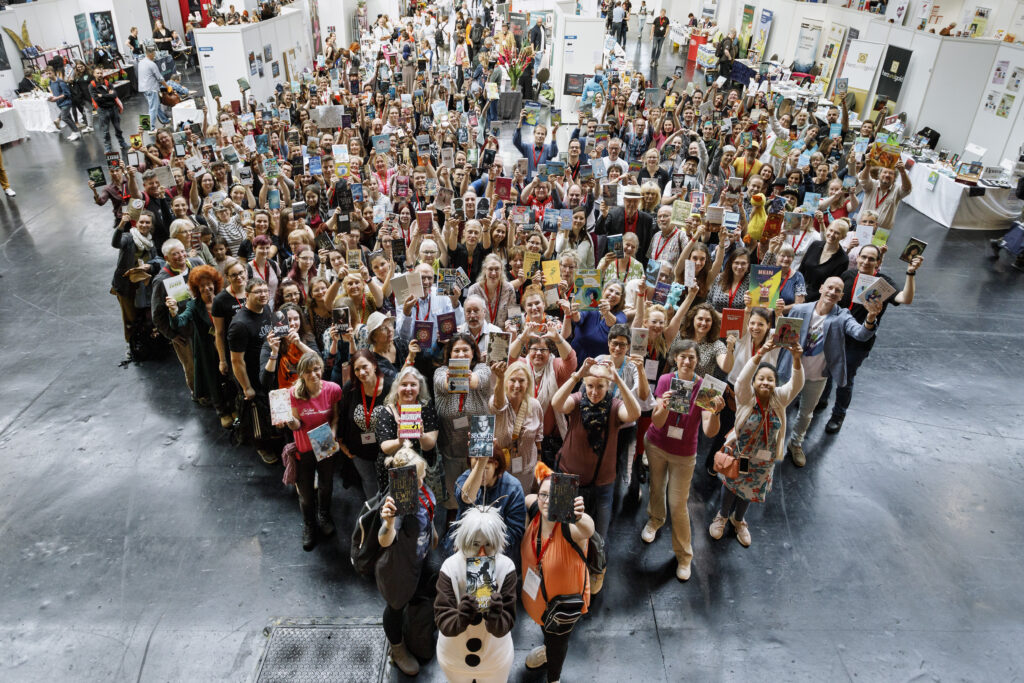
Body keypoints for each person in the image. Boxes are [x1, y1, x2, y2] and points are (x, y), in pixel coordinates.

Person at [642, 338, 725, 578]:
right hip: (656, 445)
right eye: (682, 357)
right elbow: (657, 422)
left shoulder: (707, 388)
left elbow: (710, 431)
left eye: (692, 357)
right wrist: (664, 406)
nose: (687, 361)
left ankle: (684, 555)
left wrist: (716, 413)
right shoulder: (667, 380)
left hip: (684, 454)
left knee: (678, 504)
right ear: (675, 359)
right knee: (656, 487)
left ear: (698, 361)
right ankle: (655, 519)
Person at [708, 341, 804, 547]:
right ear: (754, 382)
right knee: (732, 486)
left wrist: (796, 360)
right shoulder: (745, 397)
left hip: (763, 461)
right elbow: (741, 380)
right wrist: (760, 354)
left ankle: (739, 520)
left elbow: (797, 384)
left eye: (771, 379)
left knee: (750, 491)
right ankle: (722, 516)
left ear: (776, 384)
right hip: (740, 454)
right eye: (761, 378)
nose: (766, 382)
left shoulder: (779, 400)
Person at [780, 277, 883, 466]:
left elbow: (861, 334)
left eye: (838, 290)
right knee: (781, 409)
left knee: (806, 414)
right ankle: (773, 442)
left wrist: (870, 319)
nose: (832, 292)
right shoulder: (799, 310)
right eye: (830, 287)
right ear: (821, 288)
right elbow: (783, 339)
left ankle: (795, 443)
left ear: (841, 296)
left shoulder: (842, 316)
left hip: (818, 376)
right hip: (792, 372)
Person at [551, 357, 641, 543]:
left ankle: (595, 570)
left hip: (602, 483)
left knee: (598, 537)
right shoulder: (577, 401)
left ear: (608, 386)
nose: (594, 392)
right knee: (561, 530)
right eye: (590, 386)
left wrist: (619, 380)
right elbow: (557, 404)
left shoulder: (615, 407)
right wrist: (576, 377)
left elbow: (635, 413)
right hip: (567, 476)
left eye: (600, 386)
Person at [521, 461, 593, 683]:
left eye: (554, 495)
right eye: (543, 494)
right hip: (540, 599)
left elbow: (588, 528)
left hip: (563, 606)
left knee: (558, 642)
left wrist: (579, 515)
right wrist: (539, 494)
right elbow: (528, 499)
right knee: (547, 632)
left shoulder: (570, 527)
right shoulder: (535, 511)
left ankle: (554, 678)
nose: (547, 501)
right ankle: (546, 648)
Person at [434, 506, 518, 683]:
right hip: (454, 658)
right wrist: (461, 616)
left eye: (488, 545)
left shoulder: (506, 567)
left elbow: (508, 619)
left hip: (494, 658)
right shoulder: (450, 568)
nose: (482, 552)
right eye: (475, 544)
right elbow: (442, 618)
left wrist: (495, 616)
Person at [377, 447, 437, 677]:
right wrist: (389, 523)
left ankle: (414, 629)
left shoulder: (421, 488)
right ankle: (397, 648)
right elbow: (385, 540)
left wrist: (431, 534)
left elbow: (428, 511)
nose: (422, 482)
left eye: (423, 476)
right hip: (398, 568)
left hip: (419, 559)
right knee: (395, 608)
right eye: (417, 478)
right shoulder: (398, 501)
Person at [279, 352, 342, 550]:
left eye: (316, 369)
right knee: (305, 494)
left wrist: (332, 435)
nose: (313, 374)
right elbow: (296, 425)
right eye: (308, 371)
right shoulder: (293, 394)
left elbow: (335, 417)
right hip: (304, 447)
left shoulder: (333, 389)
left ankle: (324, 515)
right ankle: (309, 524)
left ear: (321, 369)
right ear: (301, 374)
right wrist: (289, 420)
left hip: (323, 441)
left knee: (326, 485)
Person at [433, 334, 493, 520]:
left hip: (478, 444)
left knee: (478, 497)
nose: (460, 354)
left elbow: (476, 381)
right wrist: (456, 375)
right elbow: (445, 384)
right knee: (453, 500)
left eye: (465, 350)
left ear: (473, 353)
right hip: (450, 447)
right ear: (449, 353)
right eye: (456, 350)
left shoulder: (482, 369)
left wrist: (466, 375)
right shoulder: (441, 371)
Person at [166, 266, 234, 424]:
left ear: (215, 283)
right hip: (206, 349)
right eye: (201, 285)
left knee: (230, 376)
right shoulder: (194, 305)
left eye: (209, 283)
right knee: (213, 378)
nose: (206, 288)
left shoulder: (223, 298)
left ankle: (233, 406)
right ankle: (222, 410)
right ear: (196, 288)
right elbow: (180, 322)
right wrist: (174, 312)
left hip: (225, 346)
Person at [228, 279, 278, 463]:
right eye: (258, 291)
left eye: (265, 290)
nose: (263, 294)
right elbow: (236, 360)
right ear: (247, 295)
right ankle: (262, 447)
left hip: (265, 370)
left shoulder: (265, 309)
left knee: (269, 410)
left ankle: (270, 437)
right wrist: (246, 387)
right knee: (256, 413)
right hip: (250, 377)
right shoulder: (239, 324)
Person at [338, 349, 393, 500]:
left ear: (374, 365)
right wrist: (341, 443)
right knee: (369, 483)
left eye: (365, 367)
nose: (361, 372)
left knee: (389, 485)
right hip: (359, 451)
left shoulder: (391, 387)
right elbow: (342, 416)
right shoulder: (350, 388)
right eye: (357, 369)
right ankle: (374, 518)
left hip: (386, 450)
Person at [89, 66, 129, 155]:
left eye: (101, 73)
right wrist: (108, 95)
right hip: (102, 110)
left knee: (118, 128)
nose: (99, 75)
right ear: (94, 74)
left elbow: (114, 95)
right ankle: (107, 146)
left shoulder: (107, 82)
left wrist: (103, 96)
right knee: (105, 130)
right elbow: (96, 99)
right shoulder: (92, 86)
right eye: (97, 73)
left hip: (113, 108)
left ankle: (122, 142)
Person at [138, 46, 170, 127]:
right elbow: (159, 78)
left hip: (143, 88)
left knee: (156, 105)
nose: (155, 56)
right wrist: (167, 86)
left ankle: (164, 119)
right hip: (151, 88)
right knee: (153, 108)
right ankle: (149, 127)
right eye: (154, 54)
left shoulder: (141, 63)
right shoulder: (152, 64)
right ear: (151, 54)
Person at [47, 67, 81, 142]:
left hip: (66, 103)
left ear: (54, 72)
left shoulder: (60, 82)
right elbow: (55, 92)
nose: (48, 75)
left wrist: (56, 98)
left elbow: (67, 93)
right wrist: (52, 97)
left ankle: (76, 132)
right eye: (47, 74)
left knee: (64, 117)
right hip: (60, 103)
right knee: (69, 118)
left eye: (50, 73)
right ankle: (75, 132)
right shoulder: (50, 82)